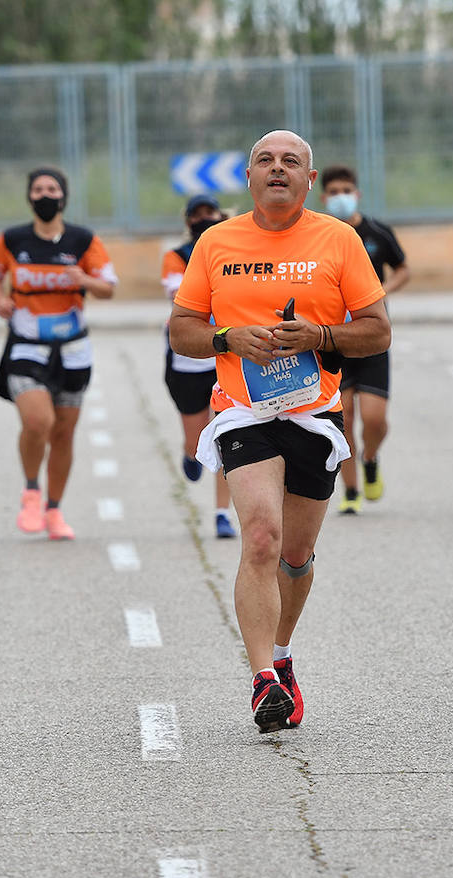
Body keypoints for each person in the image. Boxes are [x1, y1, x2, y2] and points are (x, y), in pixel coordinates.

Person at [168, 129, 390, 732]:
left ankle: (283, 652)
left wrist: (321, 336)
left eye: (290, 161)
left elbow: (377, 331)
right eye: (264, 160)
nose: (276, 168)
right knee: (261, 538)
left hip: (314, 414)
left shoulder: (338, 239)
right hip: (243, 409)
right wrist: (225, 339)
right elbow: (180, 330)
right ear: (248, 176)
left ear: (308, 180)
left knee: (295, 555)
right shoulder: (216, 242)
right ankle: (264, 675)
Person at [0, 166, 118, 540]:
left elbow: (108, 288)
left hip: (73, 349)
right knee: (38, 422)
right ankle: (30, 491)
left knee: (63, 434)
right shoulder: (12, 239)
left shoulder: (82, 240)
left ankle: (54, 511)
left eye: (52, 189)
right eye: (38, 189)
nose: (45, 195)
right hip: (26, 345)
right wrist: (0, 300)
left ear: (64, 196)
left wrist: (84, 280)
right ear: (29, 196)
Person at [318, 165, 410, 515]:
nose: (340, 196)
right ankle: (351, 489)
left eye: (347, 190)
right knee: (345, 416)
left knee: (374, 418)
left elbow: (402, 267)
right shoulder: (321, 234)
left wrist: (381, 291)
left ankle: (371, 457)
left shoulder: (376, 232)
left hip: (370, 335)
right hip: (333, 338)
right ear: (324, 197)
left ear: (356, 194)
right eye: (334, 191)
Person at [161, 194, 236, 539]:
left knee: (227, 436)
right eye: (197, 214)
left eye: (210, 213)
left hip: (229, 355)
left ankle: (222, 514)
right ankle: (188, 453)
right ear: (188, 220)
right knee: (198, 442)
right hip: (189, 359)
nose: (204, 218)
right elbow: (182, 297)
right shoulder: (176, 257)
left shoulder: (235, 250)